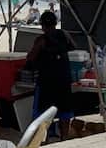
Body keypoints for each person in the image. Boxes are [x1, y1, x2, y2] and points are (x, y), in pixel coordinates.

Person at [24, 11, 74, 140]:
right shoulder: (64, 34)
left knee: (43, 113)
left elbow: (31, 58)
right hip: (63, 78)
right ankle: (64, 138)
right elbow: (73, 46)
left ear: (42, 26)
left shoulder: (41, 40)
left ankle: (42, 140)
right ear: (55, 23)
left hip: (47, 81)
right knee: (64, 112)